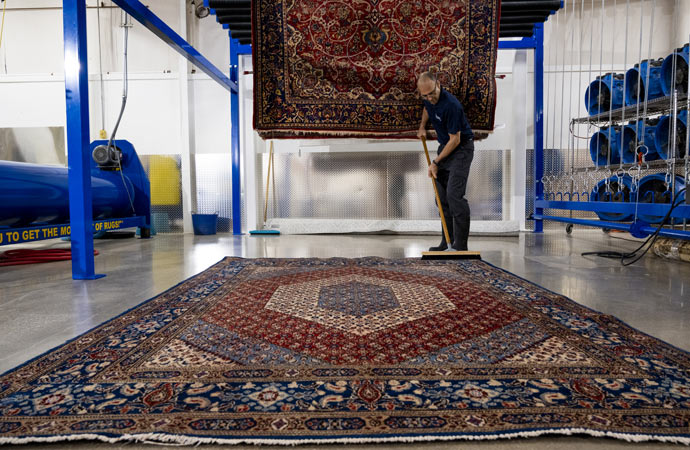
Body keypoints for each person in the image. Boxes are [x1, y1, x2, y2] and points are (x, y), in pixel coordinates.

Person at [417, 71, 474, 251]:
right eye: (425, 95)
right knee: (441, 198)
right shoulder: (428, 98)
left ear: (438, 85)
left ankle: (460, 246)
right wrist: (422, 127)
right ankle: (446, 242)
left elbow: (455, 140)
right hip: (445, 149)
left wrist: (435, 162)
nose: (429, 98)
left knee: (454, 196)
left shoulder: (451, 105)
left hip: (461, 149)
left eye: (432, 93)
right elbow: (427, 108)